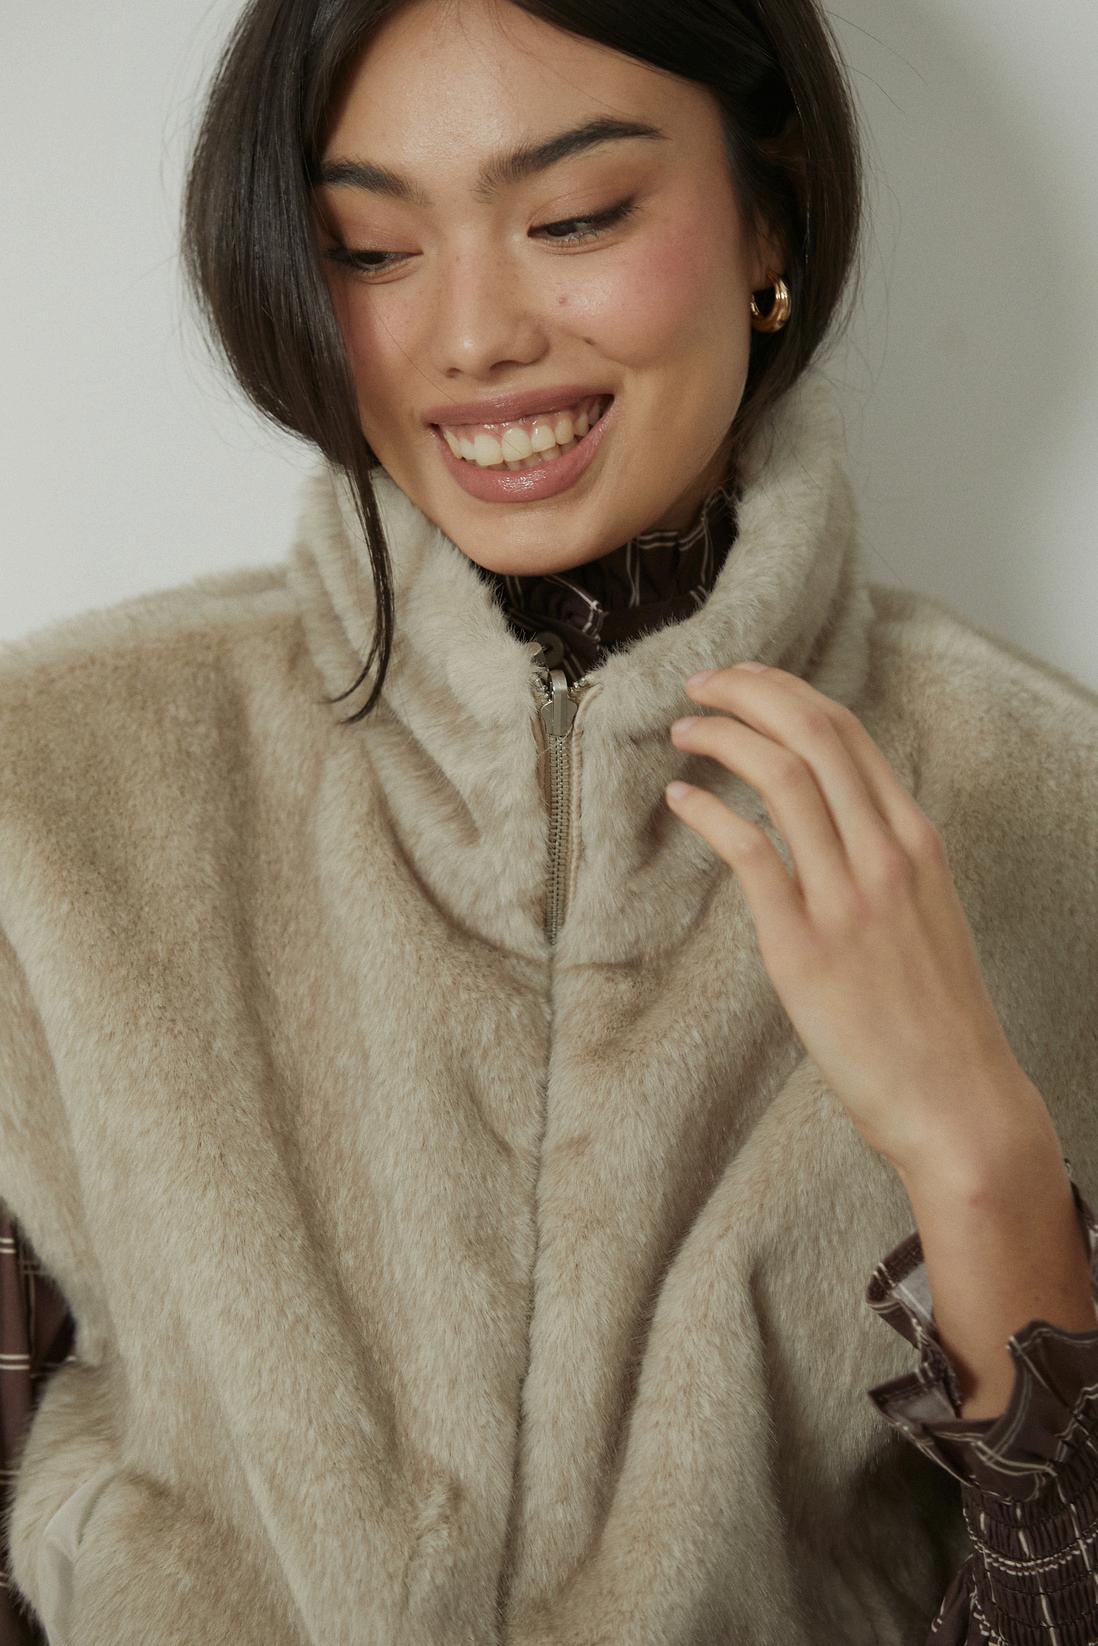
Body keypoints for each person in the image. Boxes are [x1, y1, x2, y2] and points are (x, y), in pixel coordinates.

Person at [2, 0, 1097, 1641]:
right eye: (372, 248)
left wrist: (977, 1152)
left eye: (575, 218)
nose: (471, 336)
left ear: (769, 217)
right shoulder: (52, 788)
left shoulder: (1048, 810)